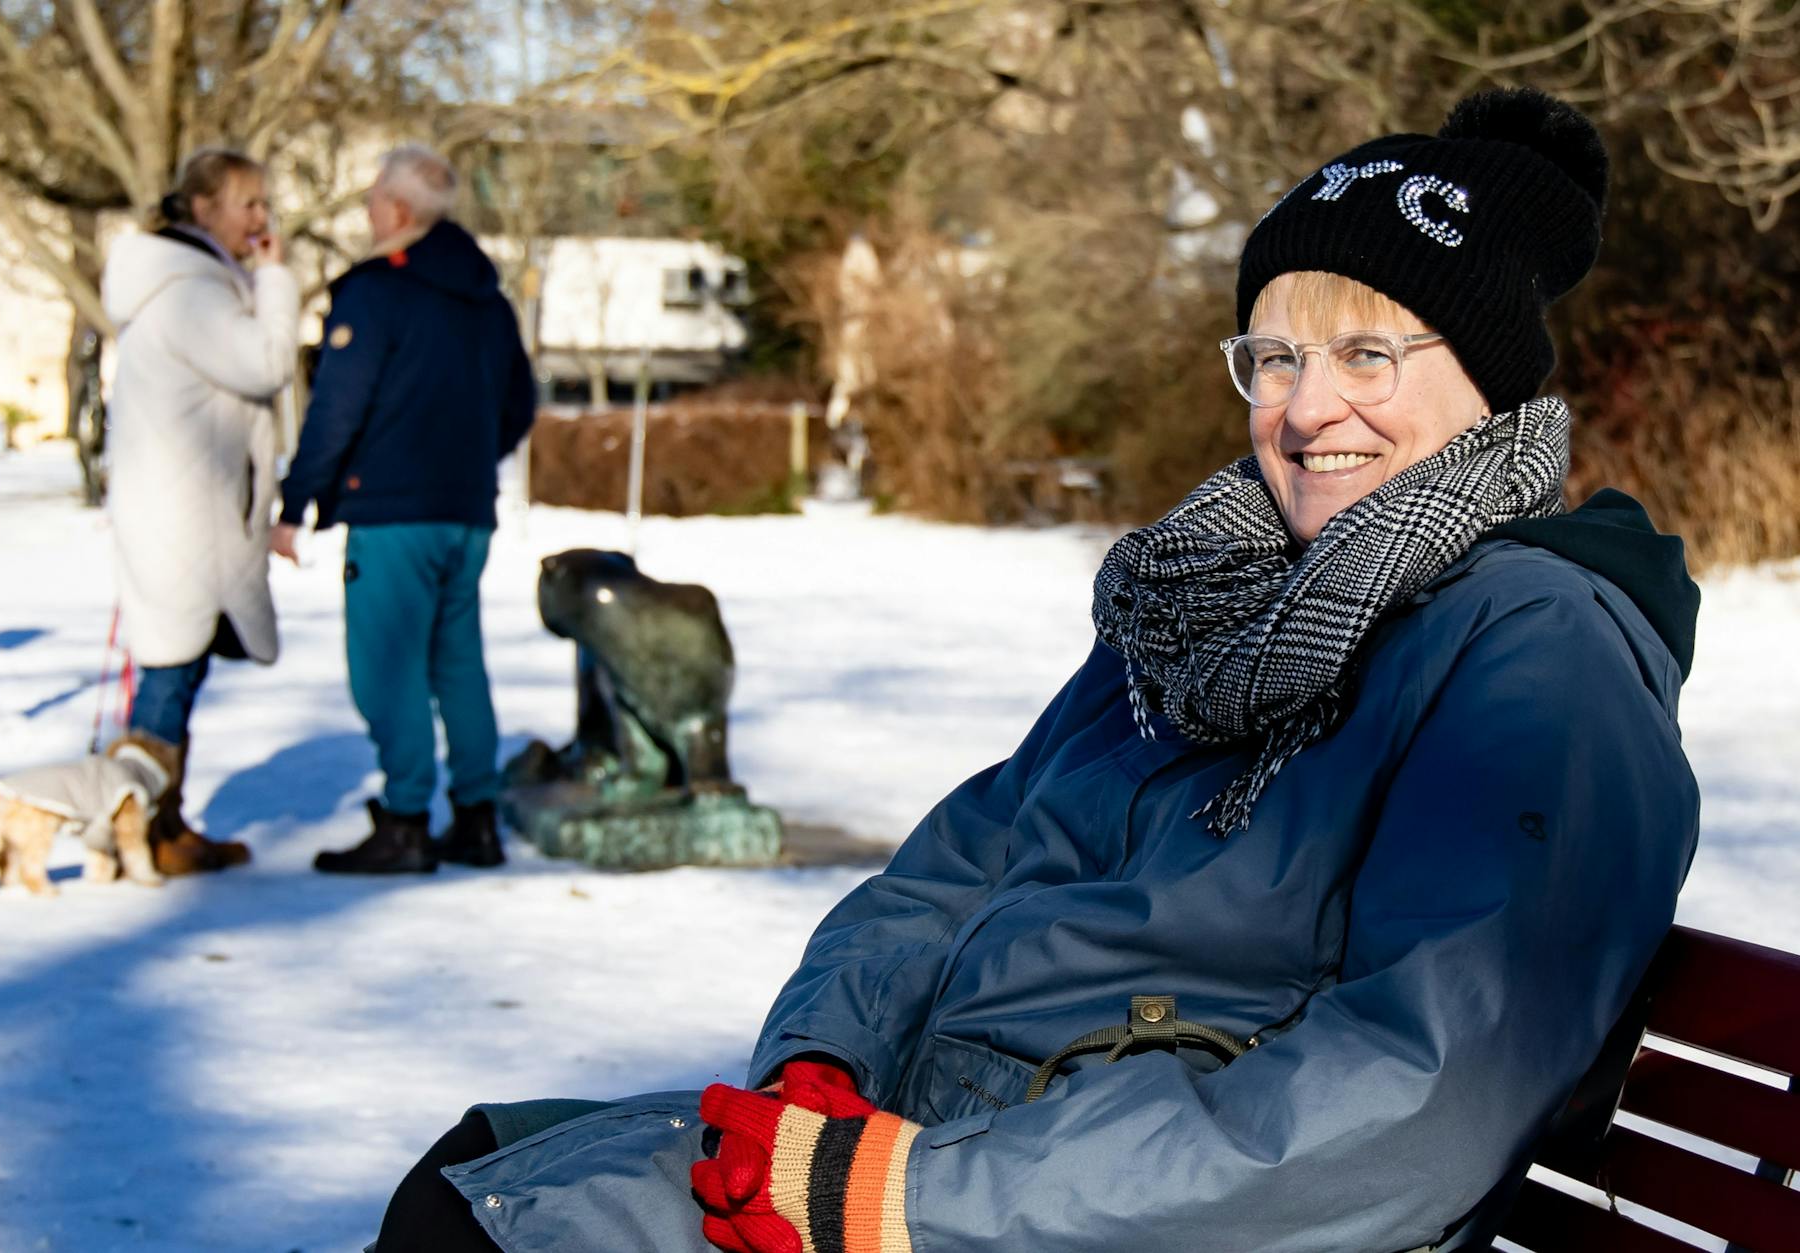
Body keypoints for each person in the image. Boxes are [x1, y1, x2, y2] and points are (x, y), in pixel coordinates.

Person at [369, 88, 1702, 1252]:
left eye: (1367, 355)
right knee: (478, 1170)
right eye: (1278, 356)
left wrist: (914, 1199)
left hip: (1114, 1214)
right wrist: (825, 1061)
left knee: (490, 1230)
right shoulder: (1204, 606)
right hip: (968, 1154)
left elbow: (1426, 1086)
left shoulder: (1536, 650)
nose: (1304, 409)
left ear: (1488, 380)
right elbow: (962, 862)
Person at [270, 146, 536, 875]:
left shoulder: (375, 292)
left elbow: (336, 408)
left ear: (398, 211)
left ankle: (407, 820)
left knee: (385, 669)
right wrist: (475, 460)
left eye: (371, 200)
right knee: (457, 663)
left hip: (391, 514)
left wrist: (297, 501)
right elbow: (522, 401)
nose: (364, 212)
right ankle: (477, 818)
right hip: (466, 512)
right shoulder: (488, 297)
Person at [102, 148, 299, 875]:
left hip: (179, 510)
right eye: (248, 203)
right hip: (182, 518)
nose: (261, 218)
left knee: (173, 667)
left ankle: (156, 819)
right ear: (203, 208)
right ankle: (144, 827)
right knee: (170, 669)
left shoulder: (184, 281)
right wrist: (276, 280)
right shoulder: (190, 292)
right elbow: (267, 362)